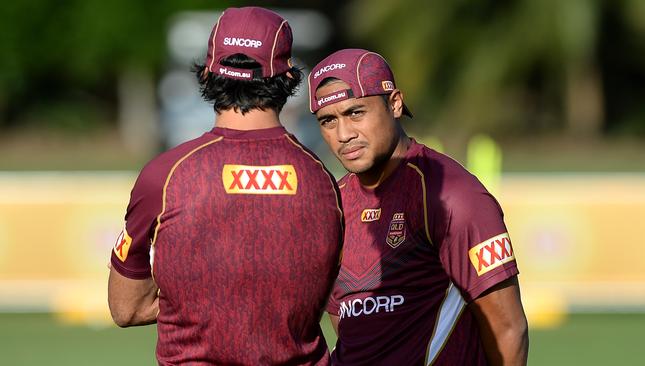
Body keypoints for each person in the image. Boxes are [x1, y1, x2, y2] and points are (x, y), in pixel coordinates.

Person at [107, 7, 343, 365]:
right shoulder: (322, 180)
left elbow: (126, 309)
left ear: (206, 72)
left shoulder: (166, 174)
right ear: (291, 76)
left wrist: (206, 303)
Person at [308, 48, 528, 365]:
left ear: (395, 103)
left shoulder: (450, 194)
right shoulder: (331, 207)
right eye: (328, 120)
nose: (344, 134)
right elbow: (347, 327)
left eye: (356, 113)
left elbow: (508, 330)